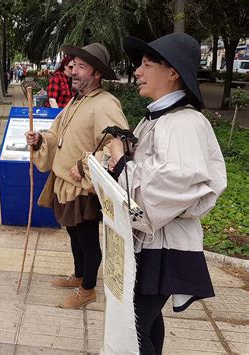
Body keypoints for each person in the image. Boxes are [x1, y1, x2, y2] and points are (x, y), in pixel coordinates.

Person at [105, 33, 227, 355]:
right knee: (146, 323)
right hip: (153, 242)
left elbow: (174, 183)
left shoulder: (184, 123)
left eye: (147, 65)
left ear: (173, 72)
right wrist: (125, 155)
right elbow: (150, 173)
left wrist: (120, 162)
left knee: (132, 329)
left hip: (165, 246)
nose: (138, 72)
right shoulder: (158, 119)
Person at [25, 43, 128, 309]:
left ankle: (88, 288)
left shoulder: (105, 103)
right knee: (74, 235)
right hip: (64, 183)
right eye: (74, 66)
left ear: (97, 74)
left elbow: (119, 144)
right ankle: (80, 275)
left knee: (87, 240)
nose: (74, 71)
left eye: (82, 67)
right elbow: (56, 135)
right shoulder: (75, 101)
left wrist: (86, 165)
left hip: (84, 187)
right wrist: (39, 140)